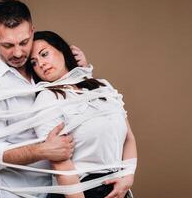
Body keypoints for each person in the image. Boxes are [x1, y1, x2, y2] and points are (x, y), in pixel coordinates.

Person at [0, 0, 88, 198]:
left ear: (32, 31)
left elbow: (77, 101)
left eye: (24, 42)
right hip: (17, 194)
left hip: (60, 189)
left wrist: (78, 72)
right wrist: (43, 150)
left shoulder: (43, 63)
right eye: (7, 45)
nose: (17, 52)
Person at [25, 31, 137, 198]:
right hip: (79, 192)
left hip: (118, 188)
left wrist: (127, 178)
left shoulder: (103, 87)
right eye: (34, 63)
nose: (41, 64)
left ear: (62, 50)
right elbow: (60, 164)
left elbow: (128, 137)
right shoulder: (47, 99)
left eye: (44, 54)